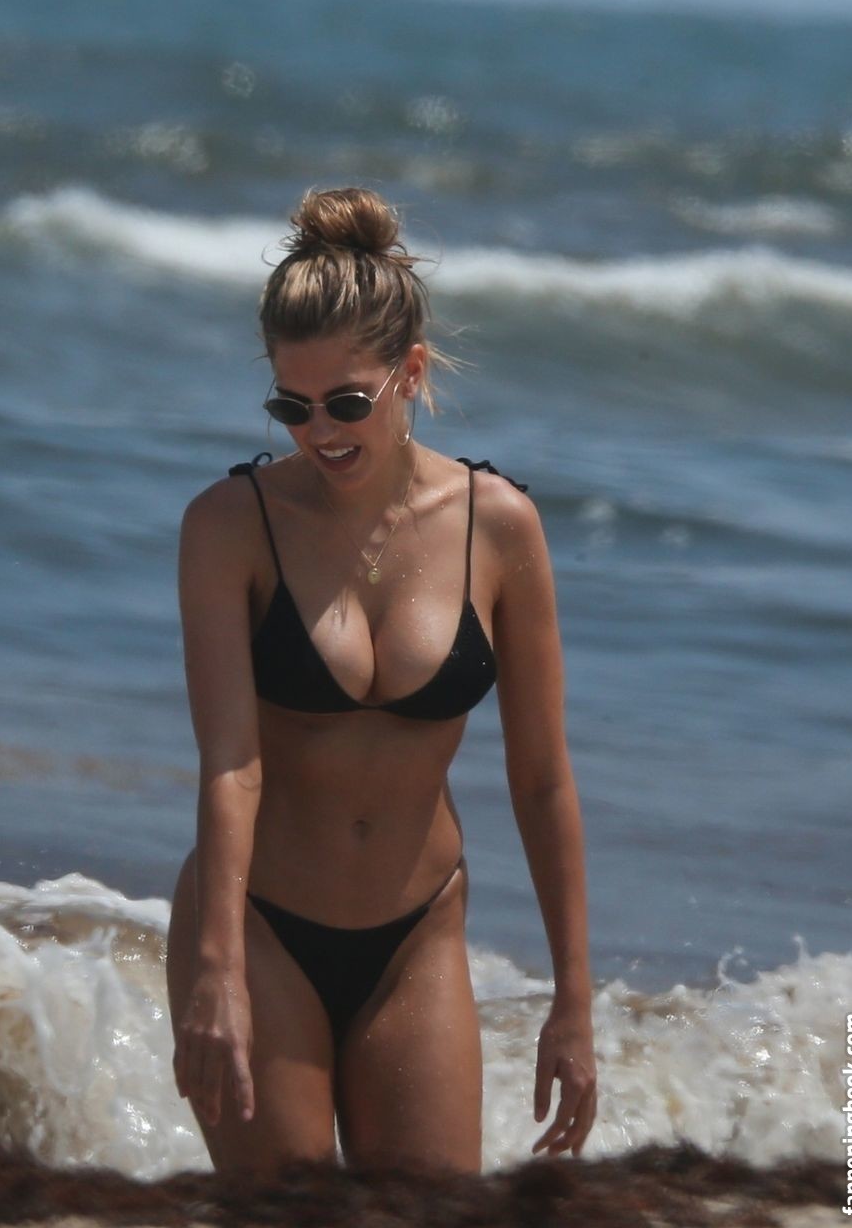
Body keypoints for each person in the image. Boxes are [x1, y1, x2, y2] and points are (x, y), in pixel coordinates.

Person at [165, 187, 595, 1172]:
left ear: (410, 373)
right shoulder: (229, 528)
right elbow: (231, 766)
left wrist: (573, 999)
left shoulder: (499, 525)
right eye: (292, 406)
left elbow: (542, 780)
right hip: (260, 926)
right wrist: (217, 968)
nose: (319, 431)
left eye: (347, 402)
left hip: (418, 932)